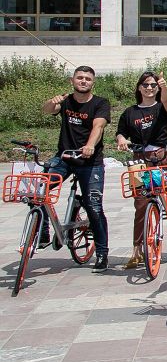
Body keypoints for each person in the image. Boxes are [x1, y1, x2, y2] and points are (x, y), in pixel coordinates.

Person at [41, 66, 111, 271]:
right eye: (79, 78)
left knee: (94, 207)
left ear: (93, 83)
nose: (83, 81)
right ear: (72, 80)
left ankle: (101, 253)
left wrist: (89, 146)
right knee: (39, 190)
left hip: (90, 161)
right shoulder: (66, 101)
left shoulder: (100, 103)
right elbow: (47, 111)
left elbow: (98, 126)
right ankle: (43, 231)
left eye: (87, 79)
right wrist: (51, 102)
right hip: (64, 158)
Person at [116, 70, 167, 269]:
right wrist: (121, 139)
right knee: (141, 204)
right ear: (139, 87)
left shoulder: (161, 108)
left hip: (162, 157)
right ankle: (137, 250)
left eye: (153, 85)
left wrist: (164, 86)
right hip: (141, 160)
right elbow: (121, 132)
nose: (149, 88)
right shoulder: (130, 112)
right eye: (145, 84)